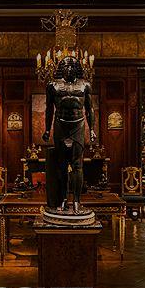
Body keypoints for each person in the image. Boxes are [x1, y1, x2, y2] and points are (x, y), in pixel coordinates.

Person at [42, 55, 96, 214]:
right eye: (66, 66)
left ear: (77, 69)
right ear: (61, 69)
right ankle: (63, 199)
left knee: (78, 165)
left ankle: (77, 200)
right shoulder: (53, 85)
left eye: (73, 66)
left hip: (78, 126)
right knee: (62, 165)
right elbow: (49, 109)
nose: (70, 69)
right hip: (60, 125)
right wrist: (47, 129)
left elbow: (89, 109)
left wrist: (92, 129)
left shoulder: (85, 85)